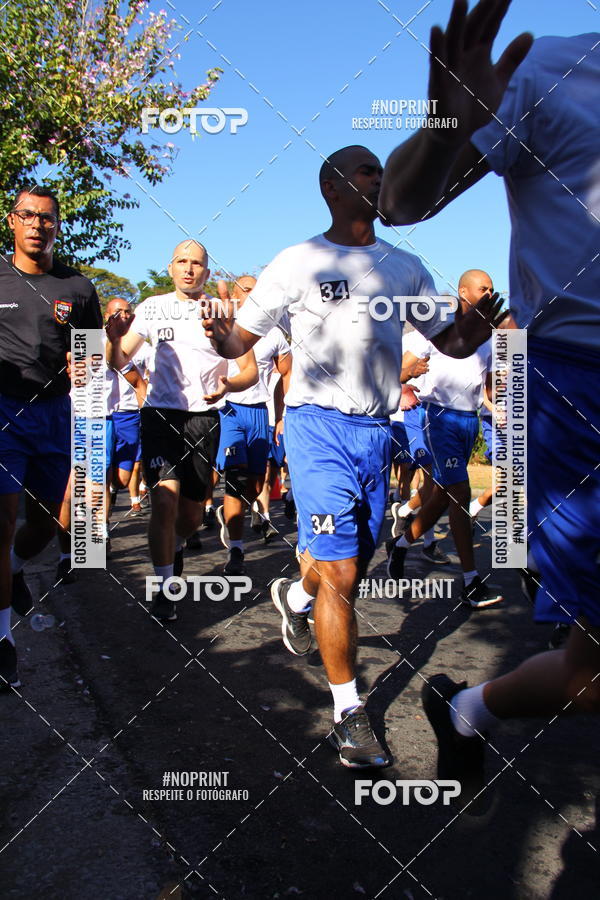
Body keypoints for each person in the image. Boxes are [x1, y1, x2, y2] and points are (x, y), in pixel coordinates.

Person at [202, 144, 505, 768]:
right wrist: (218, 331)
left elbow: (448, 341)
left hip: (376, 431)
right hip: (316, 429)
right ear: (333, 188)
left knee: (351, 562)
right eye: (367, 169)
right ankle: (349, 711)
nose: (379, 177)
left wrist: (475, 326)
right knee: (341, 572)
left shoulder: (405, 266)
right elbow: (242, 340)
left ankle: (297, 598)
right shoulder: (298, 261)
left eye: (380, 170)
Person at [380, 0, 600, 804]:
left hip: (504, 404)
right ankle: (418, 548)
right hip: (577, 388)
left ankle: (466, 708)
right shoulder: (548, 73)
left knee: (588, 672)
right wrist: (445, 126)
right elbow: (400, 205)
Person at [106, 240, 258, 622]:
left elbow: (249, 371)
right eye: (182, 262)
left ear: (207, 273)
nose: (189, 269)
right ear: (171, 268)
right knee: (164, 500)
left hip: (204, 419)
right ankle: (164, 589)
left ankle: (174, 549)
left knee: (190, 519)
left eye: (197, 264)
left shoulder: (222, 311)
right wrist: (111, 339)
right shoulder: (153, 307)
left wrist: (229, 386)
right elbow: (119, 359)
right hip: (160, 416)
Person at [0, 186, 102, 690]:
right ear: (12, 221)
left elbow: (91, 358)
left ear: (57, 226)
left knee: (41, 527)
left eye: (47, 218)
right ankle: (4, 642)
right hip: (4, 414)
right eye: (27, 216)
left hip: (55, 416)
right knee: (2, 521)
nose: (37, 224)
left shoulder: (78, 289)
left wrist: (82, 369)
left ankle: (18, 567)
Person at [386, 269, 503, 608]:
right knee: (461, 494)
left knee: (439, 497)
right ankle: (471, 582)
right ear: (463, 292)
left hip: (469, 422)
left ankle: (402, 544)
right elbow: (398, 369)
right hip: (438, 418)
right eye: (483, 288)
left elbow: (491, 385)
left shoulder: (491, 336)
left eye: (492, 289)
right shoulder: (436, 328)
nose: (489, 293)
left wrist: (502, 405)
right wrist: (407, 380)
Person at [215, 275, 292, 574]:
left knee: (257, 483)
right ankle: (236, 550)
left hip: (260, 412)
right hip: (229, 410)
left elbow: (286, 374)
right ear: (235, 295)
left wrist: (282, 415)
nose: (254, 294)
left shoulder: (273, 333)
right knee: (235, 477)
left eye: (258, 289)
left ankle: (230, 513)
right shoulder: (223, 326)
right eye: (247, 290)